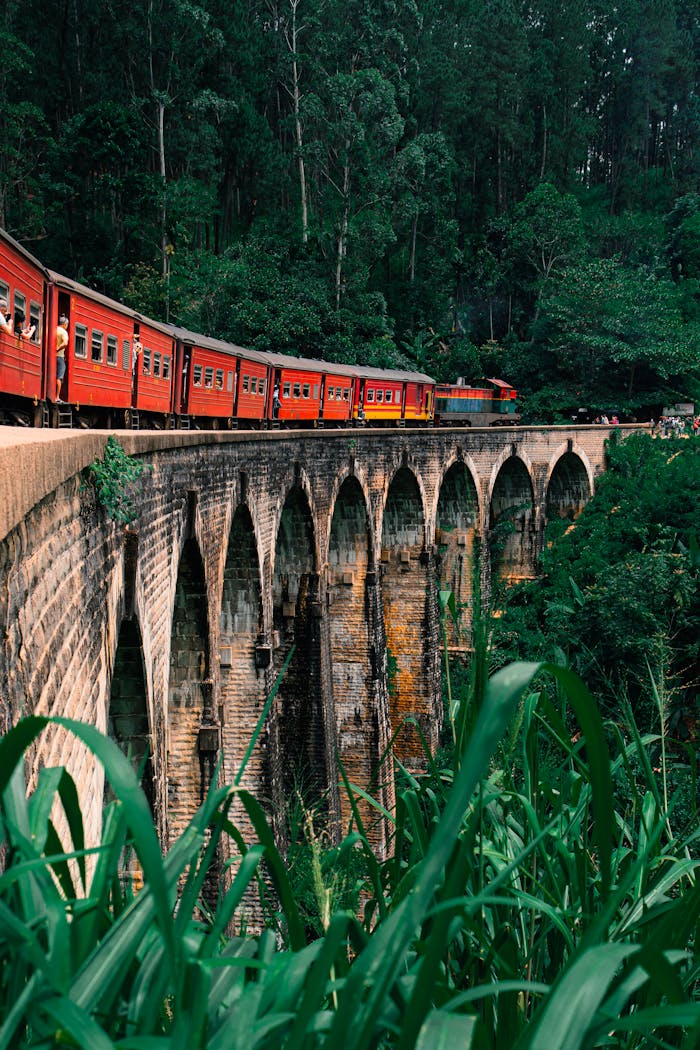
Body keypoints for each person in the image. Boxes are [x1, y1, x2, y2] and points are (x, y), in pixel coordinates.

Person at [55, 314, 69, 402]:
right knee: (59, 377)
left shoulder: (54, 329)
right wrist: (57, 349)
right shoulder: (63, 332)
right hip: (59, 357)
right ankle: (57, 397)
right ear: (64, 324)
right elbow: (65, 343)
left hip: (52, 357)